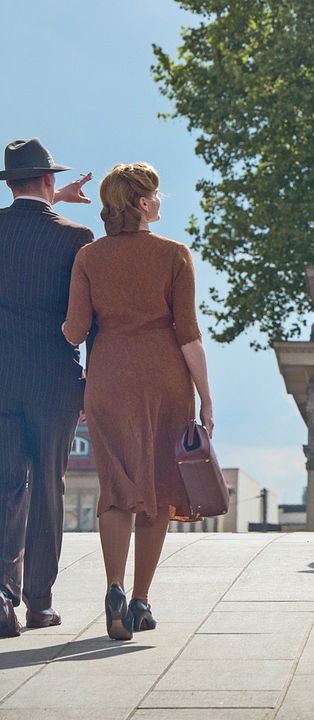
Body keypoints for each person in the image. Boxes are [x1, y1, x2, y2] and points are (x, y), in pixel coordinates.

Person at [63, 162, 214, 640]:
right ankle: (142, 602)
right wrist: (206, 398)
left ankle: (113, 587)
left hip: (108, 377)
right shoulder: (175, 254)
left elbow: (73, 330)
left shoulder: (89, 257)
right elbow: (188, 335)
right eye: (157, 194)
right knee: (160, 489)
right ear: (144, 203)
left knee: (116, 489)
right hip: (165, 379)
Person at [0, 138, 94, 637]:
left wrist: (51, 199)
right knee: (49, 491)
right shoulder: (77, 239)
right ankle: (39, 603)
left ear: (11, 183)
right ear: (50, 180)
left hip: (1, 378)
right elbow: (88, 319)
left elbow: (24, 223)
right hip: (55, 381)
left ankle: (1, 597)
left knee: (6, 486)